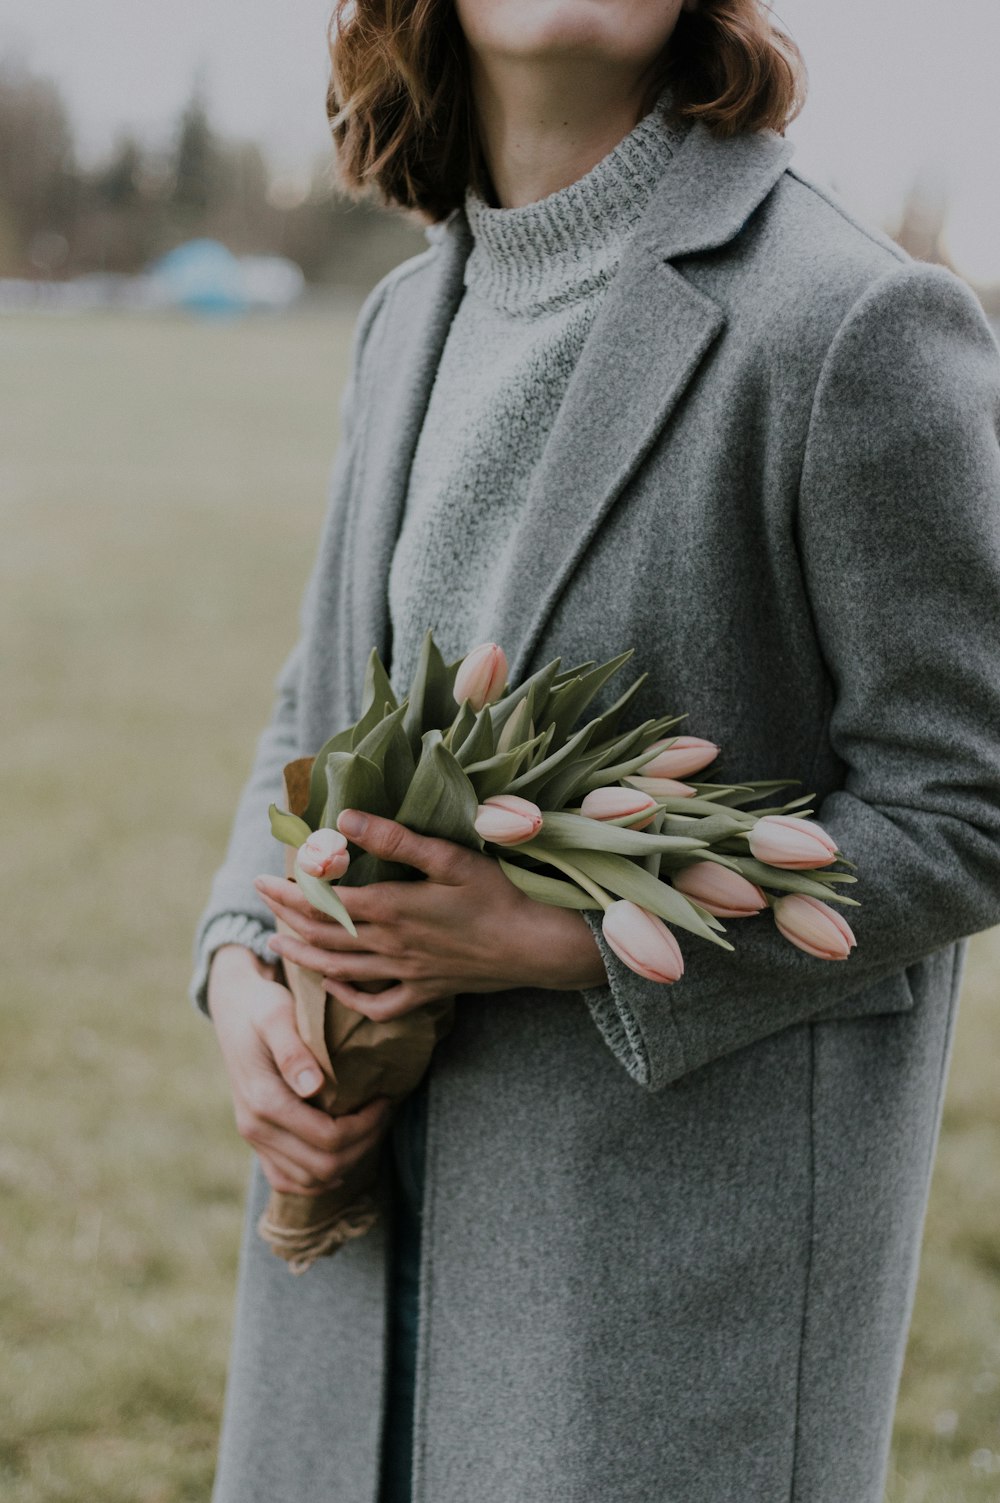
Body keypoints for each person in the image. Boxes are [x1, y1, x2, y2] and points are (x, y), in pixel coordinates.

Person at [192, 2, 1000, 1500]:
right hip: (354, 1288)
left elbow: (973, 800)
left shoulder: (854, 322)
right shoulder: (404, 320)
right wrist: (243, 966)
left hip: (663, 1318)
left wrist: (573, 944)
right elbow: (316, 713)